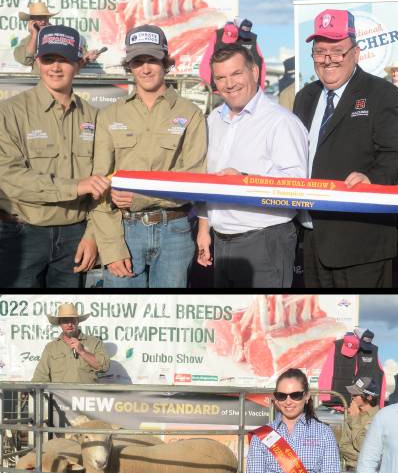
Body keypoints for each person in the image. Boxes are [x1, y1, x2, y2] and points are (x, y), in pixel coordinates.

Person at [0, 25, 122, 288]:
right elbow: (8, 176)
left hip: (74, 236)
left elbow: (102, 182)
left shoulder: (93, 116)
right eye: (48, 59)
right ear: (38, 61)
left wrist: (92, 236)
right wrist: (76, 186)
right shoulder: (10, 112)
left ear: (78, 64)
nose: (55, 68)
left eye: (64, 60)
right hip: (22, 235)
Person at [293, 9, 398, 288]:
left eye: (337, 51)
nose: (328, 60)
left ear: (356, 52)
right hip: (310, 238)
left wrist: (372, 179)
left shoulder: (382, 94)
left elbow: (394, 156)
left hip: (361, 244)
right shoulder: (304, 97)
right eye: (320, 52)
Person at [93, 24, 207, 288]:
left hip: (175, 233)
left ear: (165, 62)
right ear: (129, 66)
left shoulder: (191, 113)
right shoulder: (110, 116)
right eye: (138, 61)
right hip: (125, 231)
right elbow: (99, 185)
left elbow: (196, 179)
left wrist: (140, 197)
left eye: (152, 60)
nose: (145, 69)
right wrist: (111, 247)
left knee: (167, 314)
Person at [198, 44, 308, 288]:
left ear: (255, 73)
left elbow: (298, 186)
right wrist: (204, 227)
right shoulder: (213, 120)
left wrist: (245, 179)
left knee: (266, 321)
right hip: (221, 241)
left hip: (265, 240)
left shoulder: (281, 122)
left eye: (236, 74)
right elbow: (207, 180)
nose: (229, 83)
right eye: (221, 77)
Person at [31, 302, 111, 383]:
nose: (70, 324)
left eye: (72, 320)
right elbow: (40, 377)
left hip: (86, 395)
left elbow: (104, 367)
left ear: (78, 321)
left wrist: (82, 352)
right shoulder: (51, 347)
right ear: (60, 323)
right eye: (65, 321)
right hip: (60, 395)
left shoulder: (94, 343)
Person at [11, 2, 101, 68]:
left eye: (45, 17)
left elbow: (77, 60)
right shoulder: (27, 41)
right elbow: (25, 60)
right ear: (32, 21)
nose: (43, 21)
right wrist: (35, 35)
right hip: (40, 83)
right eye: (38, 18)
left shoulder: (61, 33)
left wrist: (87, 58)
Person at [337, 376, 380, 471]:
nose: (352, 397)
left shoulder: (379, 418)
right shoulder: (353, 414)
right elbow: (343, 446)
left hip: (371, 472)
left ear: (369, 397)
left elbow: (364, 446)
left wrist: (355, 419)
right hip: (351, 470)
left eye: (356, 394)